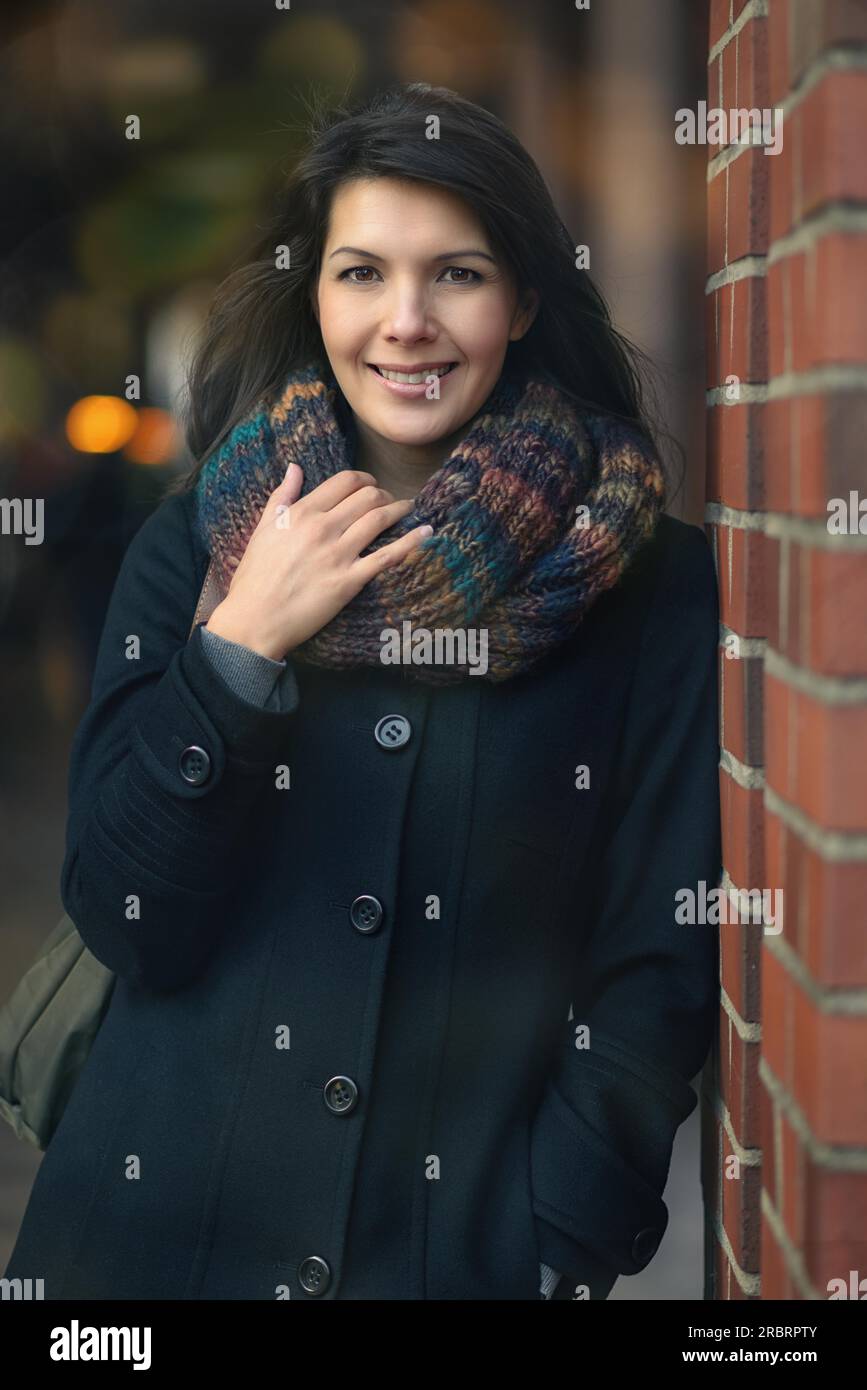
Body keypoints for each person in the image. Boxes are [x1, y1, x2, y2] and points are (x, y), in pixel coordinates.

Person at [5, 82, 721, 1301]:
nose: (406, 323)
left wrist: (565, 1228)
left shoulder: (652, 584)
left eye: (457, 273)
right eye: (360, 273)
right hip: (151, 1248)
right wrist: (240, 647)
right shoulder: (195, 550)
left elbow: (659, 951)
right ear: (313, 293)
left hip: (452, 1254)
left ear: (526, 297)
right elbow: (126, 911)